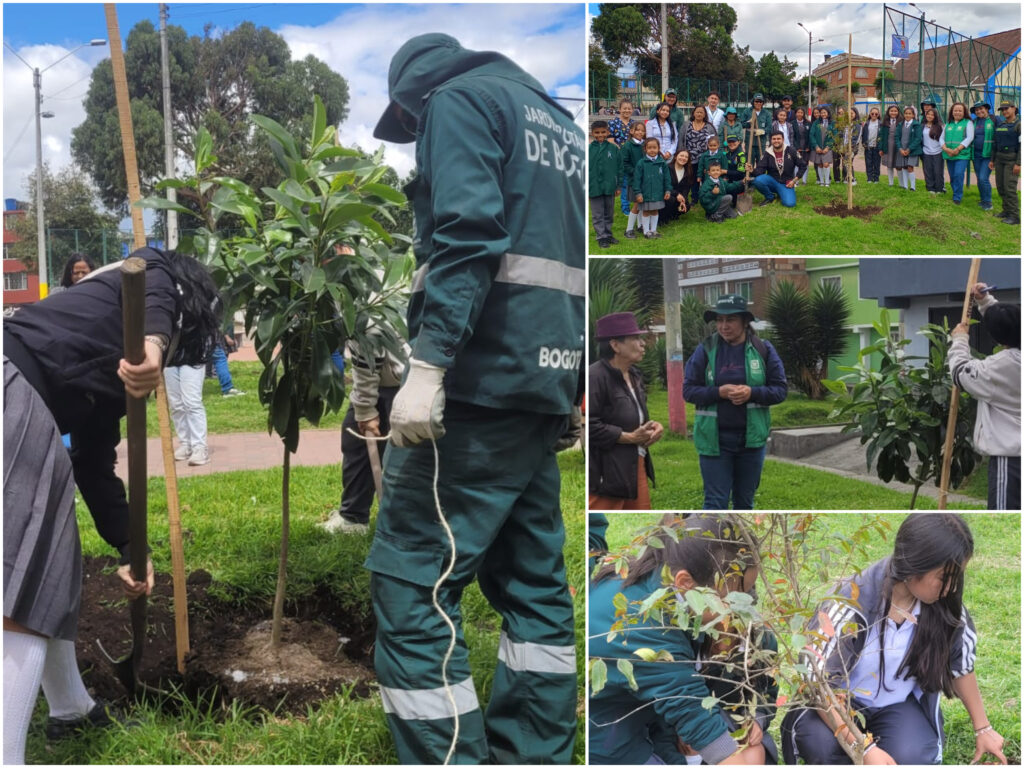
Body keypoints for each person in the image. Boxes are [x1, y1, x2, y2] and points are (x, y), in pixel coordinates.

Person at [367, 33, 583, 764]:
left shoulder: (457, 101)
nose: (415, 140)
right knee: (533, 583)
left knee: (412, 580)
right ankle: (537, 749)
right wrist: (570, 385)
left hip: (478, 384)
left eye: (408, 125)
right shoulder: (559, 124)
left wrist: (427, 367)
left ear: (413, 97)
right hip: (537, 382)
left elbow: (467, 237)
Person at [3, 246, 220, 764]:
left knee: (52, 563)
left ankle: (71, 708)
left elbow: (94, 463)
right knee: (25, 584)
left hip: (18, 390)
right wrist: (154, 344)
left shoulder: (94, 356)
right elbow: (151, 274)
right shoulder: (149, 279)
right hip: (11, 385)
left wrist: (130, 546)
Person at [782, 514, 1008, 766]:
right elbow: (820, 688)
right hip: (838, 705)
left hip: (896, 706)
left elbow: (961, 666)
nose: (952, 588)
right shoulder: (848, 604)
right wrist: (864, 748)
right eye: (945, 578)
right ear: (914, 566)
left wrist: (983, 728)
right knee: (821, 745)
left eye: (958, 577)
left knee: (914, 756)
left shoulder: (945, 608)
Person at [589, 514, 769, 765]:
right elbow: (703, 726)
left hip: (649, 723)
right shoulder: (645, 632)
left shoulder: (658, 578)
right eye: (734, 597)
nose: (744, 606)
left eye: (749, 592)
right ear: (685, 582)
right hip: (610, 743)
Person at [682, 295, 787, 509]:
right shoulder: (706, 350)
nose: (723, 326)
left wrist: (753, 393)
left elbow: (780, 390)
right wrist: (718, 392)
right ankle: (711, 543)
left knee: (744, 504)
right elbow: (689, 391)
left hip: (751, 441)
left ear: (744, 322)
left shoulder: (763, 349)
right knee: (715, 503)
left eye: (730, 320)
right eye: (719, 320)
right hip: (715, 440)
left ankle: (740, 543)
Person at [320, 326, 407, 534]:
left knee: (405, 456)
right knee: (356, 441)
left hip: (398, 381)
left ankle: (400, 526)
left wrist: (365, 407)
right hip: (393, 377)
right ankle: (354, 517)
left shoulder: (364, 299)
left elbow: (369, 339)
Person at [949, 282, 1020, 510]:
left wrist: (959, 340)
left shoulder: (999, 368)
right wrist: (985, 300)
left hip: (1011, 462)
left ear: (998, 339)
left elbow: (960, 372)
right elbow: (1011, 323)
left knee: (1004, 512)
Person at [587, 312, 663, 510]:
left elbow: (633, 416)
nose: (642, 344)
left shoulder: (635, 375)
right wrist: (629, 437)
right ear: (615, 345)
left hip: (635, 461)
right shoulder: (595, 376)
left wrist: (653, 426)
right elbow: (588, 424)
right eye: (635, 338)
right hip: (607, 470)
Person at [165, 358, 210, 466]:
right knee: (176, 404)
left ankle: (199, 447)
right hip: (170, 357)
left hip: (194, 355)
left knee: (192, 403)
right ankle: (186, 444)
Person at [750, 130, 808, 208]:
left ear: (783, 140)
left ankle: (782, 193)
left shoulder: (791, 151)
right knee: (758, 180)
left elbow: (803, 166)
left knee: (790, 204)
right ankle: (770, 197)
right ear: (771, 140)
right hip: (772, 181)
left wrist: (794, 180)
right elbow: (760, 171)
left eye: (778, 139)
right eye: (774, 139)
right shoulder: (767, 153)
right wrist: (752, 170)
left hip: (786, 183)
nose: (776, 141)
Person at [633, 137, 672, 239]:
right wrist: (638, 193)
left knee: (655, 211)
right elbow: (637, 180)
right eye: (649, 147)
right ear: (645, 149)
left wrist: (667, 190)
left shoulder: (662, 163)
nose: (652, 150)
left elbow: (667, 178)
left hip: (658, 193)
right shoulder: (641, 163)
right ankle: (646, 232)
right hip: (645, 193)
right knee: (646, 211)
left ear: (658, 148)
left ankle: (654, 230)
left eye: (654, 147)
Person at [589, 120, 621, 248]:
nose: (600, 134)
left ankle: (608, 234)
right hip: (594, 187)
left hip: (610, 187)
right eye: (597, 132)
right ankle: (601, 236)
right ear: (592, 133)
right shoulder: (588, 149)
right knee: (597, 214)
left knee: (609, 212)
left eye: (603, 132)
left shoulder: (613, 149)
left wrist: (618, 186)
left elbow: (620, 168)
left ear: (608, 132)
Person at [990, 100, 1020, 226]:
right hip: (1000, 159)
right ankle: (1006, 211)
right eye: (1002, 109)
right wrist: (992, 160)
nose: (1004, 111)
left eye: (1006, 108)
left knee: (1009, 188)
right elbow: (995, 144)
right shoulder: (1001, 124)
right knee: (1001, 187)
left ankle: (1014, 216)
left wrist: (1019, 163)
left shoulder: (1019, 125)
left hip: (1011, 160)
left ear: (1014, 108)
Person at [609, 100, 639, 217]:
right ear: (620, 109)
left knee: (631, 181)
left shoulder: (634, 124)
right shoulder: (613, 123)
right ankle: (625, 207)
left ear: (632, 110)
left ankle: (633, 205)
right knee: (624, 182)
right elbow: (611, 141)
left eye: (629, 108)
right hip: (619, 157)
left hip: (633, 158)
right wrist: (623, 151)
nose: (627, 110)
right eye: (624, 108)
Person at [943, 101, 975, 205]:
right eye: (955, 110)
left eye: (960, 110)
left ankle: (957, 197)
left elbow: (970, 137)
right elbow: (941, 138)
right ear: (952, 112)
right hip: (949, 154)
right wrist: (946, 149)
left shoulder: (968, 123)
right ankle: (955, 192)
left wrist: (958, 149)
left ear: (964, 112)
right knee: (952, 176)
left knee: (958, 174)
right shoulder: (948, 124)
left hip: (962, 155)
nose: (957, 112)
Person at [970, 101, 998, 211]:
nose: (979, 111)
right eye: (976, 110)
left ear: (986, 109)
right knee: (979, 178)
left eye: (981, 109)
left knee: (983, 178)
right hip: (976, 155)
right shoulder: (974, 122)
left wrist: (994, 157)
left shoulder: (994, 120)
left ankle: (988, 202)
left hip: (988, 155)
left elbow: (999, 136)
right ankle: (983, 200)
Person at [622, 121, 648, 240]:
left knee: (642, 203)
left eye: (642, 130)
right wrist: (635, 172)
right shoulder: (628, 146)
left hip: (645, 179)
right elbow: (624, 163)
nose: (640, 132)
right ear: (631, 131)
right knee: (637, 204)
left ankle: (640, 225)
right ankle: (628, 229)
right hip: (635, 180)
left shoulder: (645, 145)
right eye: (637, 130)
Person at [661, 148, 696, 226]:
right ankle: (662, 218)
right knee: (670, 200)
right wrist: (676, 194)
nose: (683, 158)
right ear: (676, 156)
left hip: (679, 196)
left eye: (686, 157)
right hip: (667, 193)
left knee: (687, 205)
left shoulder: (688, 170)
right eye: (681, 155)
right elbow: (665, 184)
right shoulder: (668, 168)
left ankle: (673, 215)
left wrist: (683, 199)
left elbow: (687, 187)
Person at [896, 105, 922, 191]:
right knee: (904, 167)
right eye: (906, 113)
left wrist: (909, 149)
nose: (907, 115)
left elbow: (918, 138)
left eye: (909, 113)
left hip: (912, 150)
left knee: (910, 167)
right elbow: (897, 137)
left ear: (913, 115)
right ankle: (905, 186)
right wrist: (900, 148)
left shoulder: (916, 125)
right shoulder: (900, 124)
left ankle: (912, 187)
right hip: (902, 150)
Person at [921, 107, 946, 194]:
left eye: (932, 115)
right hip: (926, 152)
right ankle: (930, 188)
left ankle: (939, 189)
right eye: (928, 114)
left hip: (938, 152)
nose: (930, 116)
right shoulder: (922, 126)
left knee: (938, 171)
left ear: (935, 116)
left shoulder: (940, 126)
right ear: (926, 115)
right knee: (928, 171)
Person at [879, 104, 904, 187]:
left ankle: (901, 183)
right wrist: (881, 148)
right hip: (888, 145)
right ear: (888, 112)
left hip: (898, 146)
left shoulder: (901, 122)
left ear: (898, 112)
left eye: (895, 111)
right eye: (891, 111)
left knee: (898, 165)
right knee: (889, 165)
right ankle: (891, 183)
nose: (893, 112)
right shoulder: (884, 122)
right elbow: (881, 136)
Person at [811, 105, 836, 186]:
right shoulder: (816, 122)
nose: (823, 114)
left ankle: (827, 182)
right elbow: (811, 135)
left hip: (827, 148)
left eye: (824, 112)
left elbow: (834, 136)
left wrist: (828, 147)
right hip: (818, 147)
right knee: (820, 164)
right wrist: (816, 146)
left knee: (826, 164)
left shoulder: (832, 123)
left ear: (828, 113)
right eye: (821, 113)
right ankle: (822, 181)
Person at [743, 93, 771, 165]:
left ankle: (760, 176)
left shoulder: (766, 113)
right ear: (753, 102)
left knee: (761, 162)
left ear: (762, 103)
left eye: (760, 102)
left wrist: (763, 131)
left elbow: (769, 127)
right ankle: (749, 176)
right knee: (749, 162)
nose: (758, 103)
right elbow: (741, 124)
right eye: (756, 101)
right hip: (750, 142)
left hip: (761, 142)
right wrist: (749, 123)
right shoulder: (747, 111)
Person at [861, 106, 883, 183]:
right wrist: (864, 144)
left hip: (877, 147)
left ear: (878, 114)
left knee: (876, 163)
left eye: (876, 114)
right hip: (868, 147)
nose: (874, 115)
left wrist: (881, 147)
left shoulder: (881, 124)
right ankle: (869, 178)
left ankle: (876, 178)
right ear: (870, 114)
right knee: (868, 163)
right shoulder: (866, 124)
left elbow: (882, 136)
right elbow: (863, 135)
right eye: (872, 113)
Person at [792, 107, 811, 184]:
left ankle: (804, 180)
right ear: (795, 113)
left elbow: (810, 135)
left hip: (806, 146)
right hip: (797, 145)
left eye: (801, 112)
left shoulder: (808, 123)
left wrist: (808, 146)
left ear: (804, 114)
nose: (800, 114)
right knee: (797, 162)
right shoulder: (792, 123)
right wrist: (796, 147)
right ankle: (796, 181)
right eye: (798, 112)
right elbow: (792, 136)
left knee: (805, 162)